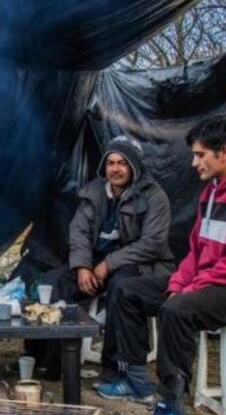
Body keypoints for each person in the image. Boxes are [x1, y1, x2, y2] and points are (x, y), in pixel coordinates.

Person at [96, 115, 226, 415]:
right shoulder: (212, 191)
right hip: (212, 281)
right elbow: (196, 252)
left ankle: (172, 407)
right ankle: (134, 376)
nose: (194, 162)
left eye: (200, 154)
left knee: (178, 310)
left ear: (223, 151)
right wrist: (178, 284)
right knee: (126, 289)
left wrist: (188, 290)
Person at [32, 135, 173, 375]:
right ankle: (49, 361)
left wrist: (109, 264)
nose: (115, 169)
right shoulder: (95, 191)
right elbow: (78, 232)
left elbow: (153, 244)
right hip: (96, 263)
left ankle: (116, 367)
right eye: (111, 163)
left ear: (135, 166)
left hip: (140, 264)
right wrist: (82, 267)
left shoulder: (154, 196)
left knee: (123, 287)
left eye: (123, 163)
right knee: (51, 282)